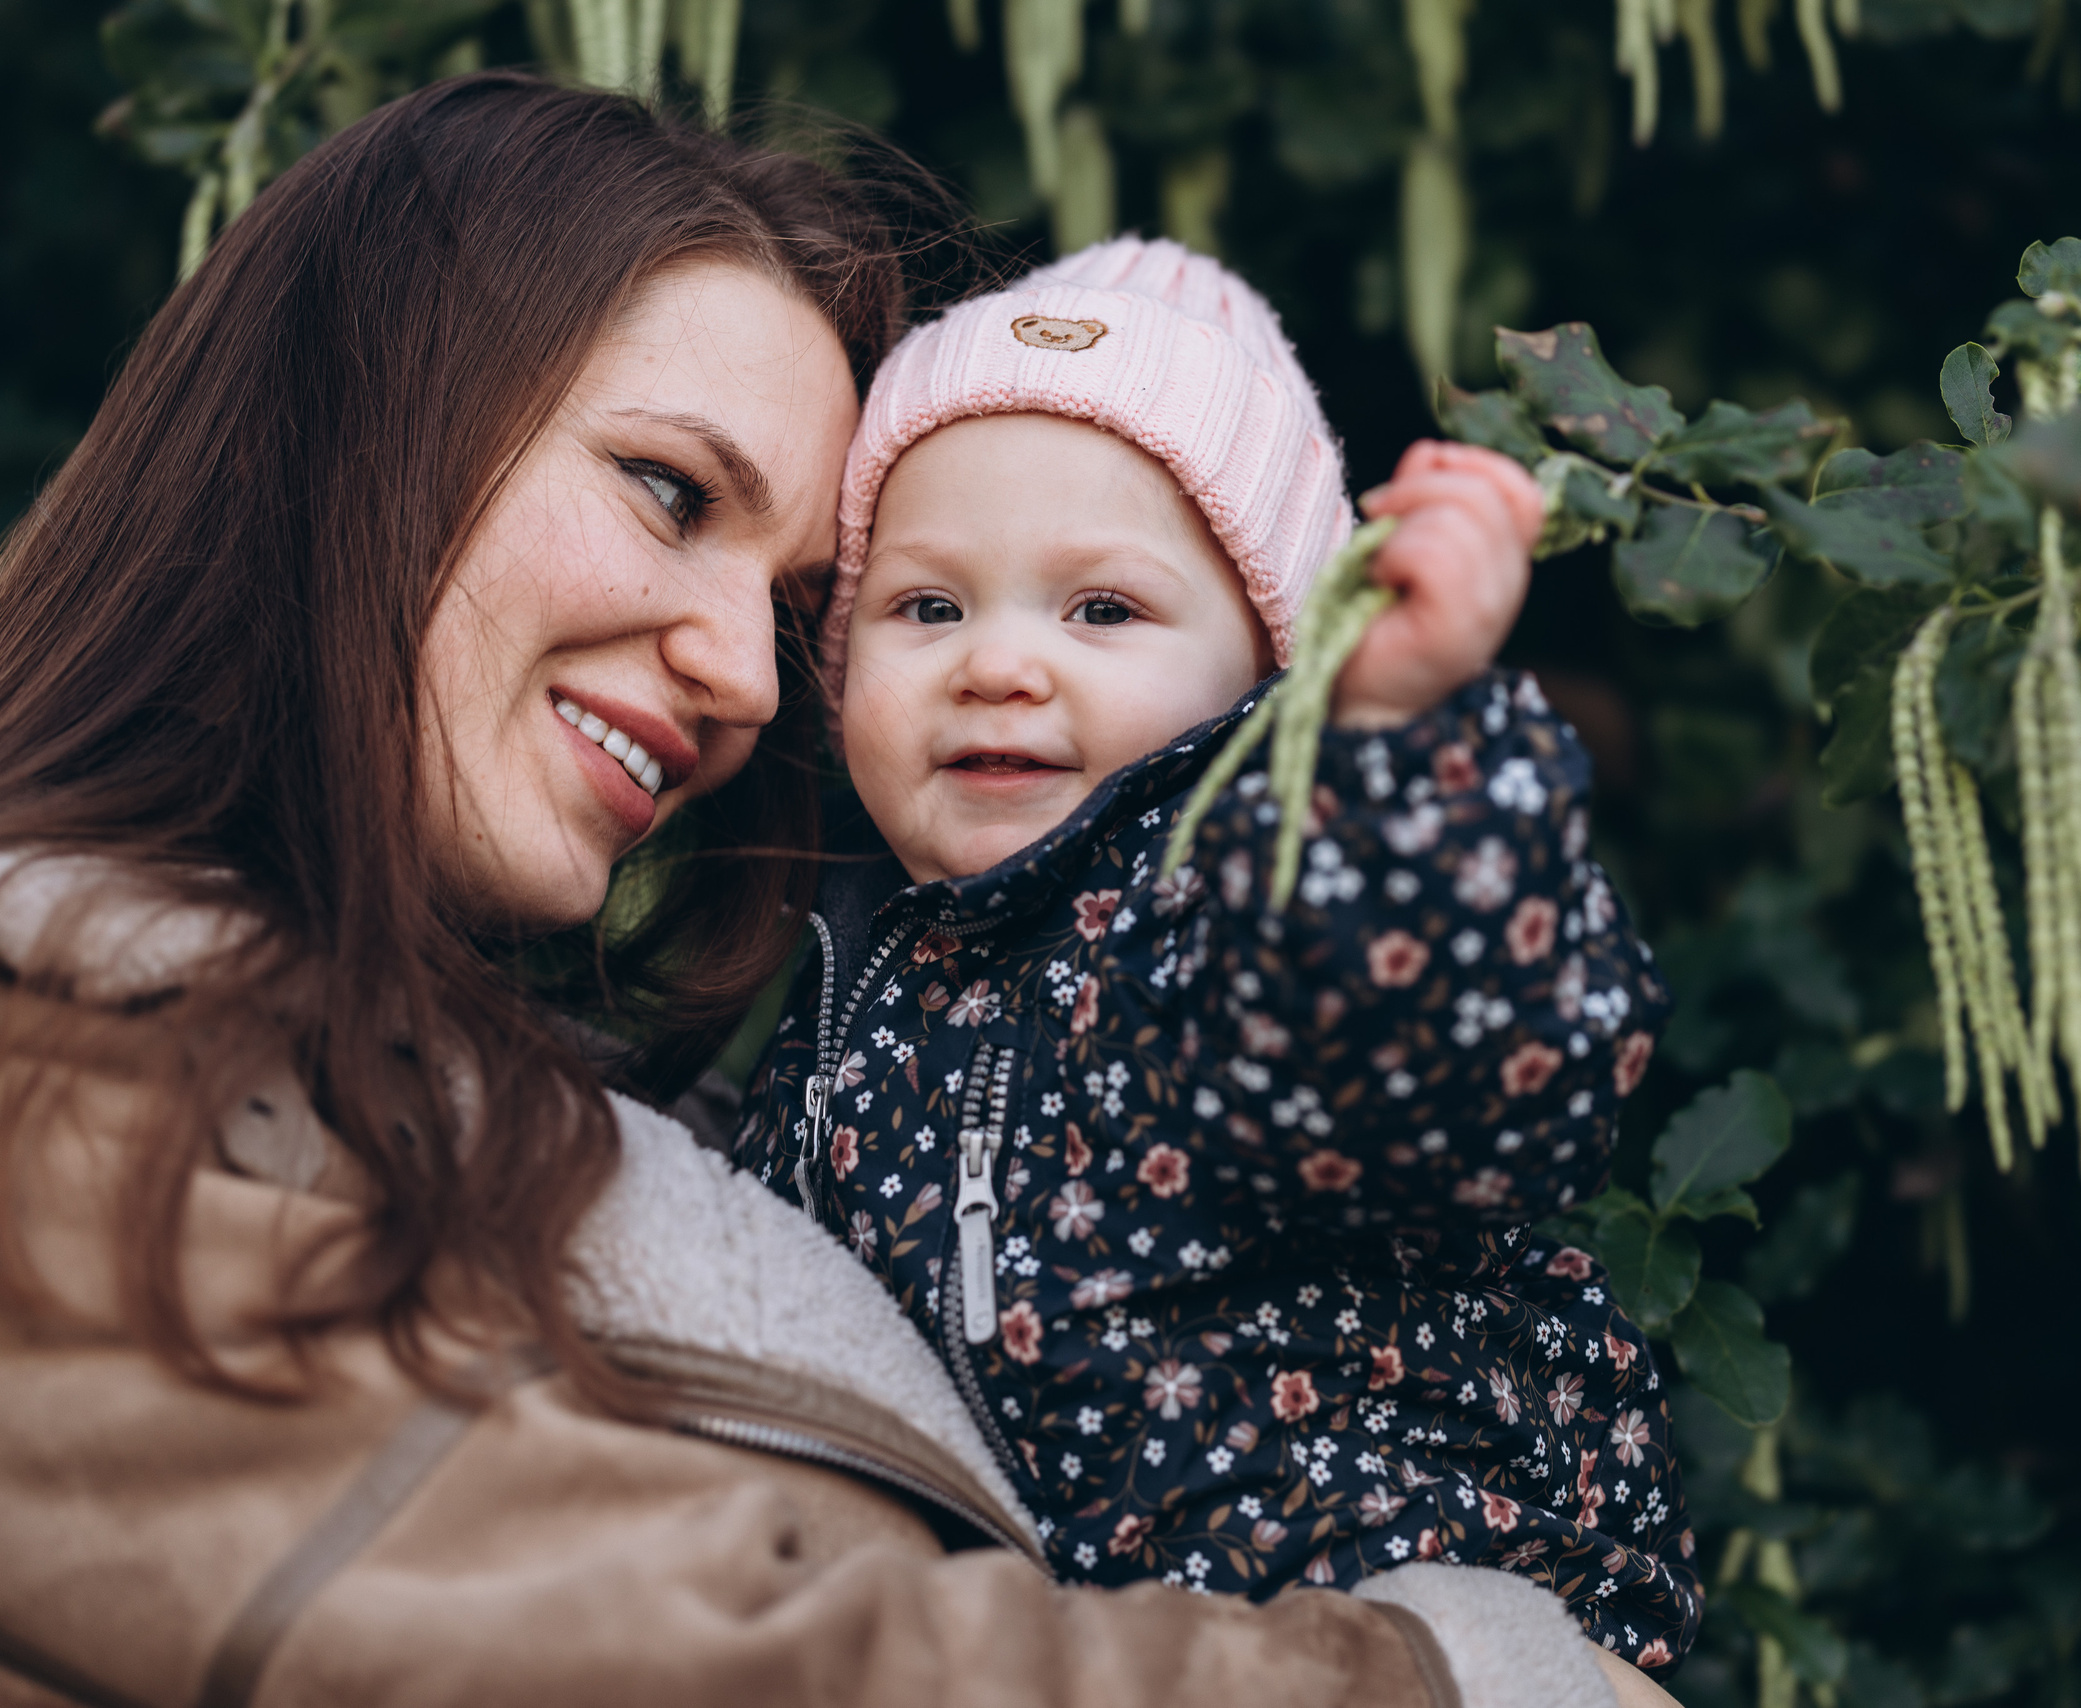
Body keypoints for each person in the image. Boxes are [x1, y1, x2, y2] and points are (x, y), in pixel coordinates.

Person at [0, 75, 1668, 1708]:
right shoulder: (60, 1065)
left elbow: (1471, 1052)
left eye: (792, 593)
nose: (742, 673)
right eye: (671, 492)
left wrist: (1397, 758)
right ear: (360, 422)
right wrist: (1470, 1683)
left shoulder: (1150, 934)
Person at [731, 238, 1700, 1670]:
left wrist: (1398, 753)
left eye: (1102, 610)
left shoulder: (1239, 906)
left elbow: (1470, 1062)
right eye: (927, 606)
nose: (999, 661)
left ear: (1265, 674)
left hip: (1388, 1640)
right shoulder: (849, 962)